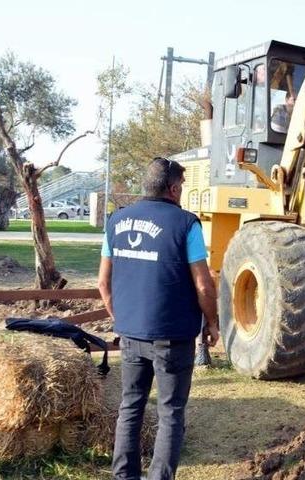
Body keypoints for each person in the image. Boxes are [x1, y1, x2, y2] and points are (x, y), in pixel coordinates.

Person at [98, 157, 220, 480]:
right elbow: (203, 284)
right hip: (172, 337)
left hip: (131, 335)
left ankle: (123, 476)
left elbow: (102, 282)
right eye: (182, 186)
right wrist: (213, 322)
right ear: (174, 188)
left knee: (131, 405)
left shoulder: (116, 222)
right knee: (171, 413)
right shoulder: (187, 224)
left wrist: (120, 318)